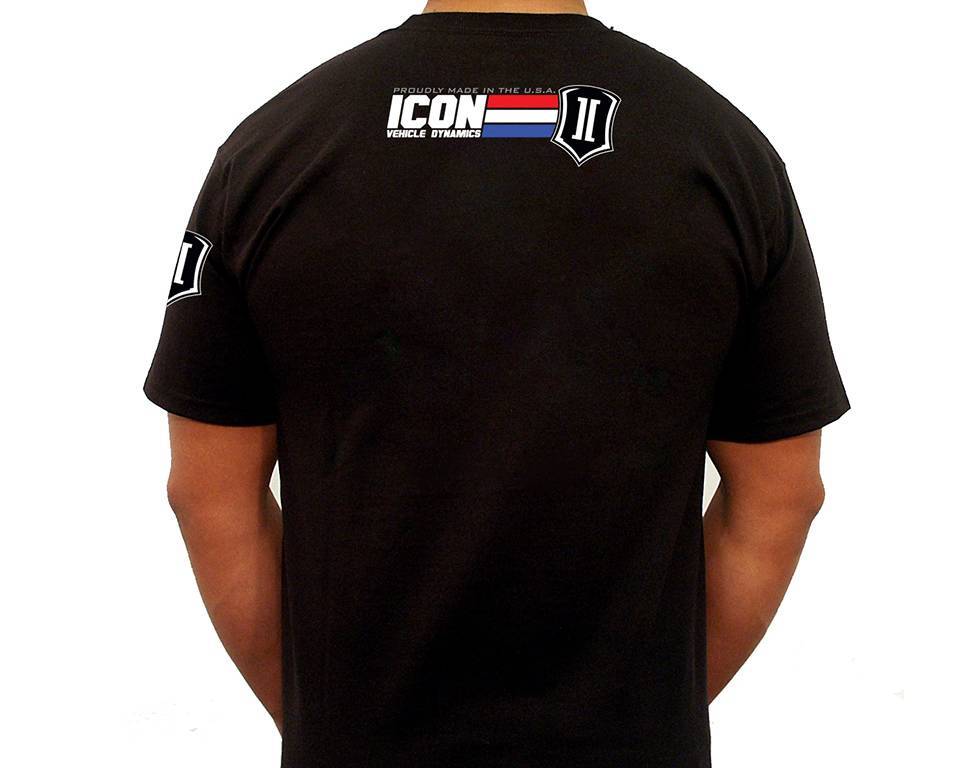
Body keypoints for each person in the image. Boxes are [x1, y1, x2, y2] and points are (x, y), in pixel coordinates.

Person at [144, 1, 850, 765]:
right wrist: (644, 722)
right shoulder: (727, 157)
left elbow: (207, 493)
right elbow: (781, 496)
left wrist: (332, 731)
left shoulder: (270, 154)